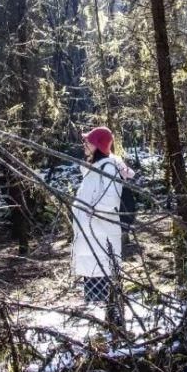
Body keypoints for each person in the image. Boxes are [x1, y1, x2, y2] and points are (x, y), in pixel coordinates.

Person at [71, 126, 134, 330]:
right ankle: (107, 328)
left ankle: (111, 330)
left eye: (88, 141)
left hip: (101, 236)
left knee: (105, 285)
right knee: (98, 283)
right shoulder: (97, 168)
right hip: (93, 236)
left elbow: (109, 202)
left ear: (97, 145)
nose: (84, 145)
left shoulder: (108, 168)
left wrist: (89, 211)